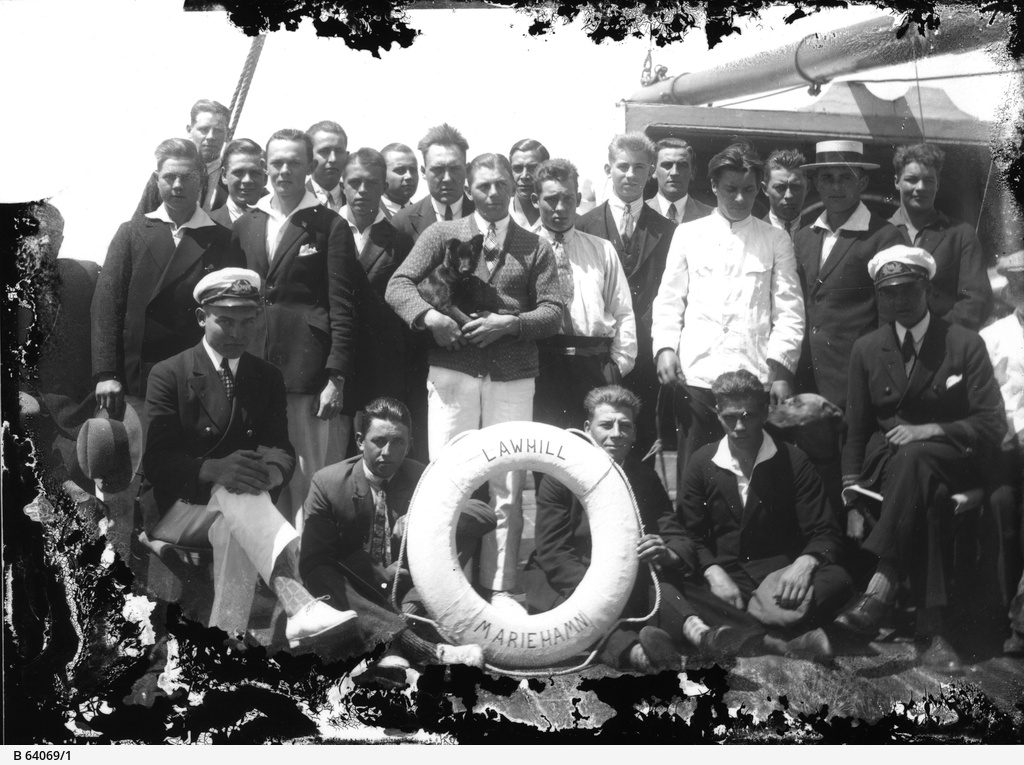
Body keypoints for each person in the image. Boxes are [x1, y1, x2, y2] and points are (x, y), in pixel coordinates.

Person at [386, 152, 564, 613]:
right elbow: (398, 285)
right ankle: (443, 583)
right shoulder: (442, 234)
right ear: (469, 185)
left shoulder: (534, 244)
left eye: (500, 185)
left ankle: (501, 588)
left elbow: (553, 311)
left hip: (511, 377)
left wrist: (509, 324)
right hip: (453, 373)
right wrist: (429, 317)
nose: (491, 193)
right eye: (482, 185)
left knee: (508, 482)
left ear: (512, 187)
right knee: (448, 478)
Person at [142, 268, 356, 646]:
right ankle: (298, 604)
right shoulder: (169, 373)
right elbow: (157, 463)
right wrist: (214, 469)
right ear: (201, 318)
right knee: (235, 493)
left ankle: (224, 639)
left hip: (237, 509)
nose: (238, 334)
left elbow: (281, 450)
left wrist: (271, 474)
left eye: (248, 322)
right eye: (225, 321)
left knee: (234, 514)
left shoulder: (268, 377)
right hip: (178, 509)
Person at [833, 246, 1006, 670]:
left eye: (908, 290)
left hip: (951, 453)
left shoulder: (963, 342)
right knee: (925, 488)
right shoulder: (867, 348)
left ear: (926, 287)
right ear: (879, 296)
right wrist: (852, 495)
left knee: (919, 456)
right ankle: (933, 629)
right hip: (890, 467)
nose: (899, 301)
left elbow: (992, 421)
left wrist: (933, 429)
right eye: (888, 293)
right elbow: (855, 428)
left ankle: (881, 584)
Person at [523, 385, 756, 671]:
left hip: (629, 574)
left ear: (634, 433)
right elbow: (553, 550)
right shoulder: (560, 477)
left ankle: (701, 635)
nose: (616, 433)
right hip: (573, 577)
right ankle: (642, 656)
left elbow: (676, 536)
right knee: (565, 608)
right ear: (587, 428)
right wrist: (604, 591)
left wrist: (667, 553)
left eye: (625, 426)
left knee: (659, 582)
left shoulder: (644, 477)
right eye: (606, 425)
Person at [229, 128, 367, 524]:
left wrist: (335, 376)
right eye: (277, 162)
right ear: (265, 166)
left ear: (309, 166)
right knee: (254, 471)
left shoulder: (330, 226)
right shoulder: (248, 223)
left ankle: (306, 572)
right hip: (251, 367)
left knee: (305, 479)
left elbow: (342, 307)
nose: (284, 170)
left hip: (307, 375)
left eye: (294, 162)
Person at [300, 397, 493, 673]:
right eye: (378, 441)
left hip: (409, 592)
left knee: (462, 531)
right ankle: (424, 648)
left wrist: (423, 518)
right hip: (359, 592)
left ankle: (390, 634)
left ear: (409, 444)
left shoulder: (422, 476)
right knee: (320, 572)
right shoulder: (327, 482)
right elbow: (311, 562)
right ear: (359, 441)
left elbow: (485, 516)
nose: (388, 452)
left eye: (398, 443)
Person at [652, 141, 804, 489]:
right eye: (731, 189)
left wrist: (780, 370)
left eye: (748, 190)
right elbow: (669, 299)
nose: (739, 199)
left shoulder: (775, 239)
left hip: (753, 375)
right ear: (715, 187)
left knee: (752, 475)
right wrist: (665, 348)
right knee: (696, 473)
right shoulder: (688, 234)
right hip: (698, 375)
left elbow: (790, 308)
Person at [678, 370, 853, 657]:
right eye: (729, 417)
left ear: (764, 413)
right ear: (718, 414)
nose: (739, 426)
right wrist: (712, 571)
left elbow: (824, 531)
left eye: (748, 416)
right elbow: (689, 535)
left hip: (781, 581)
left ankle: (741, 630)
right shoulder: (701, 462)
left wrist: (804, 564)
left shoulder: (793, 459)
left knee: (839, 578)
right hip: (727, 581)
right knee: (675, 584)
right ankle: (778, 638)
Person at [93, 138, 240, 419]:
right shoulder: (132, 233)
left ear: (200, 181)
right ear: (156, 180)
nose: (177, 185)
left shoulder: (223, 239)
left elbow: (231, 315)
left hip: (198, 374)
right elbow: (106, 307)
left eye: (186, 177)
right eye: (169, 177)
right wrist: (106, 373)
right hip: (136, 376)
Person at [577, 133, 677, 456]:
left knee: (642, 443)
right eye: (623, 166)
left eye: (639, 167)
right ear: (609, 169)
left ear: (651, 173)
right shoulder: (584, 226)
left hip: (647, 356)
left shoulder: (670, 231)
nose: (630, 175)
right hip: (598, 357)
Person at [793, 140, 904, 411]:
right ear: (816, 183)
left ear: (862, 183)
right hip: (807, 377)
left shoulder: (884, 236)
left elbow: (891, 317)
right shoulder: (804, 236)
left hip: (857, 378)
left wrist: (876, 374)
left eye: (846, 178)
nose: (836, 187)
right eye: (827, 178)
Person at [531, 158, 637, 431]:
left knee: (592, 455)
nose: (560, 208)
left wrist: (616, 366)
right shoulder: (522, 248)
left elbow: (623, 311)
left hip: (593, 365)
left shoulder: (602, 250)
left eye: (568, 198)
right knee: (545, 453)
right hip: (541, 365)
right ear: (535, 200)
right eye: (551, 199)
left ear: (578, 198)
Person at [339, 148, 415, 415]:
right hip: (335, 364)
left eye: (371, 183)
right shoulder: (325, 232)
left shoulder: (400, 241)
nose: (362, 190)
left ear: (383, 187)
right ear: (342, 185)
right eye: (354, 183)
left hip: (381, 366)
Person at [888, 143, 992, 330]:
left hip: (944, 348)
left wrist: (933, 335)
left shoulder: (961, 235)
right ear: (897, 181)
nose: (920, 187)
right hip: (887, 349)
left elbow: (977, 302)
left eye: (928, 181)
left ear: (938, 184)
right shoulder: (880, 233)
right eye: (911, 179)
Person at [979, 252, 1023, 654]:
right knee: (1002, 508)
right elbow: (986, 401)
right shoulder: (992, 338)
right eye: (1020, 285)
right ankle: (1007, 617)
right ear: (1010, 289)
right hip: (1007, 449)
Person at [134, 99, 231, 217]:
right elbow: (140, 223)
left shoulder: (233, 180)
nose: (211, 137)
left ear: (228, 134)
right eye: (204, 129)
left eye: (218, 131)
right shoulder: (163, 177)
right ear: (189, 130)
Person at [391, 123, 475, 242]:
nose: (447, 178)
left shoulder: (483, 215)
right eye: (438, 170)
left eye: (454, 169)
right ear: (424, 172)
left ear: (466, 170)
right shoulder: (402, 222)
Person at [645, 137, 714, 224]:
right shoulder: (639, 213)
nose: (674, 173)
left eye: (682, 166)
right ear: (653, 171)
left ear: (692, 172)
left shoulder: (710, 216)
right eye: (667, 165)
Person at [208, 138, 267, 227]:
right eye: (238, 172)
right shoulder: (203, 227)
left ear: (265, 177)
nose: (247, 180)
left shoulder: (278, 224)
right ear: (224, 176)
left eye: (255, 172)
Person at [761, 149, 808, 238]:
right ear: (765, 189)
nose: (788, 195)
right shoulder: (753, 234)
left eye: (796, 187)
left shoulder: (818, 235)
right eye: (780, 188)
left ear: (807, 188)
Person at [305, 120, 348, 212]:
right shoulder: (296, 199)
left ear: (347, 156)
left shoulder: (357, 200)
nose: (333, 159)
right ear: (309, 157)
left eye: (339, 151)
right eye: (324, 151)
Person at [508, 138, 549, 233]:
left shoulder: (561, 216)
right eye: (517, 168)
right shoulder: (501, 214)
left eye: (532, 168)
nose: (524, 176)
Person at [379, 142, 420, 220]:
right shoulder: (369, 216)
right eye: (400, 170)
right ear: (382, 175)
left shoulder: (425, 217)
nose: (409, 176)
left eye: (413, 170)